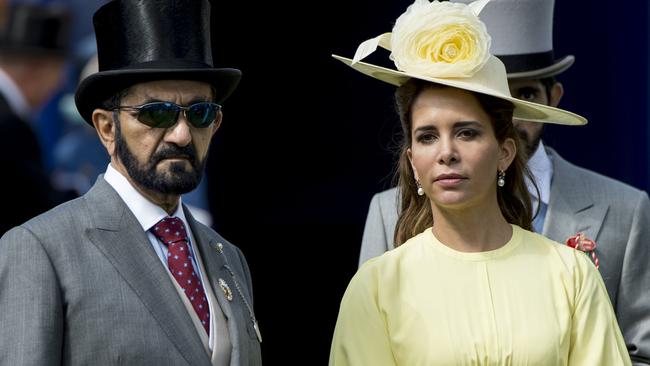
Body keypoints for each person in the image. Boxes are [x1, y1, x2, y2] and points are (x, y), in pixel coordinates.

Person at [329, 0, 631, 364]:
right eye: (426, 136)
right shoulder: (376, 287)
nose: (446, 152)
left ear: (505, 152)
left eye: (467, 133)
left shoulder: (571, 275)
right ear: (412, 161)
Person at [0, 0, 262, 365]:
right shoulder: (42, 248)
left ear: (216, 124)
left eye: (200, 113)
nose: (182, 134)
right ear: (106, 128)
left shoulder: (228, 257)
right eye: (156, 113)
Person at [0, 3, 76, 235]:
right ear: (35, 68)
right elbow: (38, 208)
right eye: (59, 71)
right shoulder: (10, 127)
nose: (61, 83)